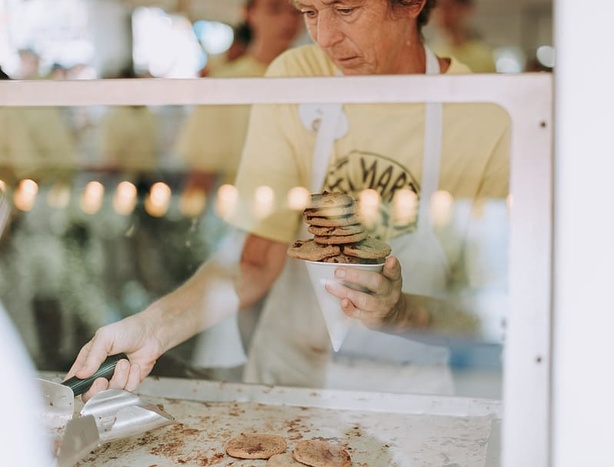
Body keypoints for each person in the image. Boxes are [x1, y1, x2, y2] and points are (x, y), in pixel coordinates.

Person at [67, 0, 510, 399]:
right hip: (291, 379)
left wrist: (400, 312)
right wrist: (152, 329)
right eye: (310, 12)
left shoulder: (482, 113)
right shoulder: (297, 78)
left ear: (411, 4)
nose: (325, 38)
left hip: (406, 395)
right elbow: (255, 261)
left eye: (346, 9)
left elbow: (484, 309)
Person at [175, 0, 304, 193]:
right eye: (274, 9)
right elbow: (201, 173)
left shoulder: (316, 77)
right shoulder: (223, 85)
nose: (288, 20)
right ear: (249, 13)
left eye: (297, 11)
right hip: (244, 213)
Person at [427, 0, 496, 73]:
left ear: (464, 9)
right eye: (437, 7)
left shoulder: (484, 57)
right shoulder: (428, 55)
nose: (441, 13)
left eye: (448, 7)